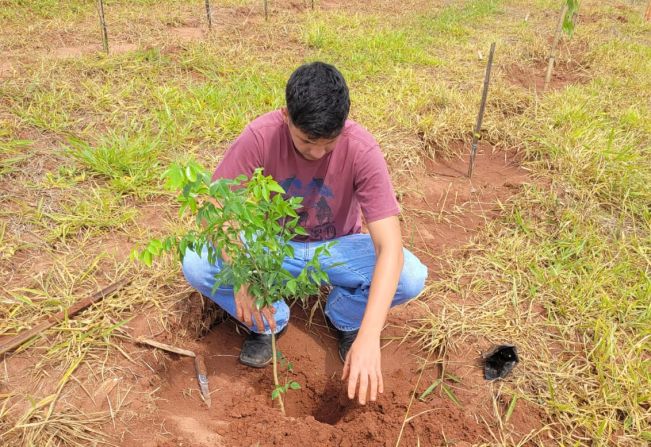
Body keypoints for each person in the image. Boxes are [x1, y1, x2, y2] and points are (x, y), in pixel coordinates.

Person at [182, 62, 427, 405]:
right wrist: (241, 272)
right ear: (286, 116)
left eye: (329, 143)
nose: (317, 152)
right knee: (196, 261)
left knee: (412, 276)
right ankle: (270, 320)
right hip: (274, 249)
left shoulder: (361, 148)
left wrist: (370, 336)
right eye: (307, 140)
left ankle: (344, 316)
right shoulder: (260, 136)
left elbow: (390, 248)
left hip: (335, 251)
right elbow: (216, 209)